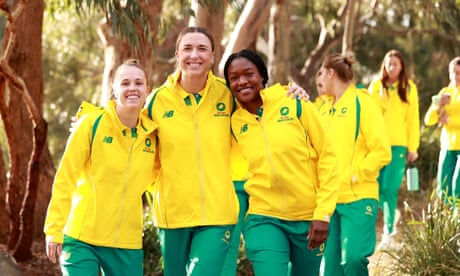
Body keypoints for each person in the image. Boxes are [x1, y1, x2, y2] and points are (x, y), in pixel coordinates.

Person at [145, 27, 310, 276]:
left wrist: (292, 93)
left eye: (202, 49)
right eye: (188, 48)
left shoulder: (228, 94)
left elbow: (263, 102)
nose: (194, 55)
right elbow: (135, 140)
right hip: (172, 213)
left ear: (212, 56)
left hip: (218, 213)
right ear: (177, 54)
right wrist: (86, 117)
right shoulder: (157, 101)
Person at [223, 49, 340, 276]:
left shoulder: (294, 103)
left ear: (263, 77)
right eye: (234, 78)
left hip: (309, 217)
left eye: (249, 74)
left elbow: (328, 156)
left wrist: (323, 213)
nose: (242, 82)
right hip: (263, 216)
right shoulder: (234, 122)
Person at [44, 59, 157, 276]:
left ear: (147, 90)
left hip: (127, 242)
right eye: (125, 83)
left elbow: (159, 179)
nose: (132, 88)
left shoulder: (153, 135)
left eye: (138, 83)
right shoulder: (90, 124)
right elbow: (65, 178)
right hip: (81, 238)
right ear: (114, 89)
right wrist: (54, 229)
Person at [315, 53, 391, 275]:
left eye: (322, 73)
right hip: (328, 201)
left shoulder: (363, 102)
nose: (320, 81)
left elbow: (382, 151)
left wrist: (355, 174)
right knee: (329, 269)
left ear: (331, 73)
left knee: (354, 259)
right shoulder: (323, 108)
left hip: (358, 197)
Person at [368, 49, 420, 249]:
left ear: (402, 67)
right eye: (389, 64)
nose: (391, 68)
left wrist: (412, 147)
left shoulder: (409, 88)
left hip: (399, 146)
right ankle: (392, 214)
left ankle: (388, 234)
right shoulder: (375, 86)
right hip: (376, 145)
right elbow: (369, 116)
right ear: (384, 65)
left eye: (395, 64)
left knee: (389, 188)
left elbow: (413, 119)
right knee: (375, 189)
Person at [424, 56, 460, 208]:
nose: (456, 76)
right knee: (443, 188)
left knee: (457, 187)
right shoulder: (445, 92)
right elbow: (429, 120)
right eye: (453, 72)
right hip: (447, 147)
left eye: (459, 73)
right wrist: (438, 107)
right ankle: (450, 223)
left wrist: (449, 121)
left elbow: (448, 120)